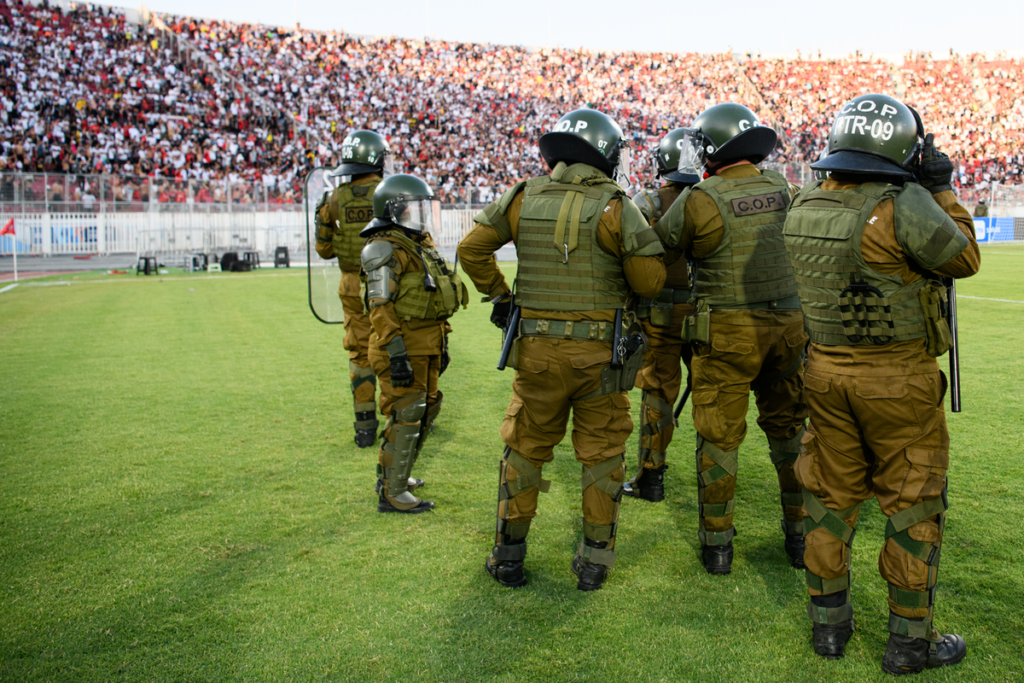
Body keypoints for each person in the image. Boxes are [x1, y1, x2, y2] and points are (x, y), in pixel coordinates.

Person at [784, 93, 979, 672]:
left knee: (828, 498)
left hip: (823, 371)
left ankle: (828, 629)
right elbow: (963, 256)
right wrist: (940, 186)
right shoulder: (904, 204)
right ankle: (909, 643)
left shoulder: (804, 201)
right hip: (896, 377)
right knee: (912, 503)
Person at [458, 109, 667, 591]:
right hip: (599, 359)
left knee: (525, 448)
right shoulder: (617, 205)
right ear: (605, 154)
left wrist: (502, 295)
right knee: (602, 453)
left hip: (535, 352)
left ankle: (508, 556)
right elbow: (650, 282)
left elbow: (471, 249)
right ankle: (594, 561)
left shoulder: (522, 195)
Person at [657, 103, 809, 575]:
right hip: (788, 327)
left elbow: (660, 249)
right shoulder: (784, 187)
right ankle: (800, 539)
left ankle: (717, 547)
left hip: (726, 334)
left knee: (719, 438)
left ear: (707, 148)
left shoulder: (702, 197)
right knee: (791, 434)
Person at [359, 173, 468, 513]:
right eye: (413, 208)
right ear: (394, 210)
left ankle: (394, 475)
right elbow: (379, 306)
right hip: (402, 345)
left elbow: (433, 299)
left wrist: (443, 341)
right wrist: (396, 354)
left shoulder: (418, 245)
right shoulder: (384, 249)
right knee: (407, 412)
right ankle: (391, 492)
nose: (420, 215)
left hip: (426, 343)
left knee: (426, 406)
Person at [624, 128, 701, 502]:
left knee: (657, 392)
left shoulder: (648, 202)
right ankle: (711, 480)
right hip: (705, 311)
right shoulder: (711, 198)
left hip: (660, 314)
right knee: (712, 395)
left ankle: (651, 477)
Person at [314, 130, 393, 448]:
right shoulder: (390, 193)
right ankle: (398, 423)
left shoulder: (333, 199)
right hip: (386, 283)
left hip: (349, 284)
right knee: (391, 348)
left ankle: (363, 427)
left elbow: (324, 249)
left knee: (359, 353)